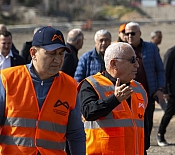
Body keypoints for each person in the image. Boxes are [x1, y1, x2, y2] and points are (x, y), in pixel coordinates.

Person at [0, 26, 85, 154]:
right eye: (51, 54)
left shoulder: (70, 86)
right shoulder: (8, 79)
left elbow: (75, 134)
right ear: (33, 53)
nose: (58, 59)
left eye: (61, 53)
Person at [79, 42, 148, 155]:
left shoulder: (139, 88)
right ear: (114, 64)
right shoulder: (92, 85)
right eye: (132, 60)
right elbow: (88, 112)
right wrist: (114, 99)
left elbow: (144, 128)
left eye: (137, 59)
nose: (137, 65)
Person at [124, 22, 165, 154]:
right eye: (127, 33)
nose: (129, 36)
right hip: (126, 97)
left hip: (147, 96)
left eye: (133, 33)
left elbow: (160, 69)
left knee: (146, 127)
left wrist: (160, 89)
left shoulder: (151, 48)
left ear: (140, 34)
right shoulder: (122, 49)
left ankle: (143, 150)